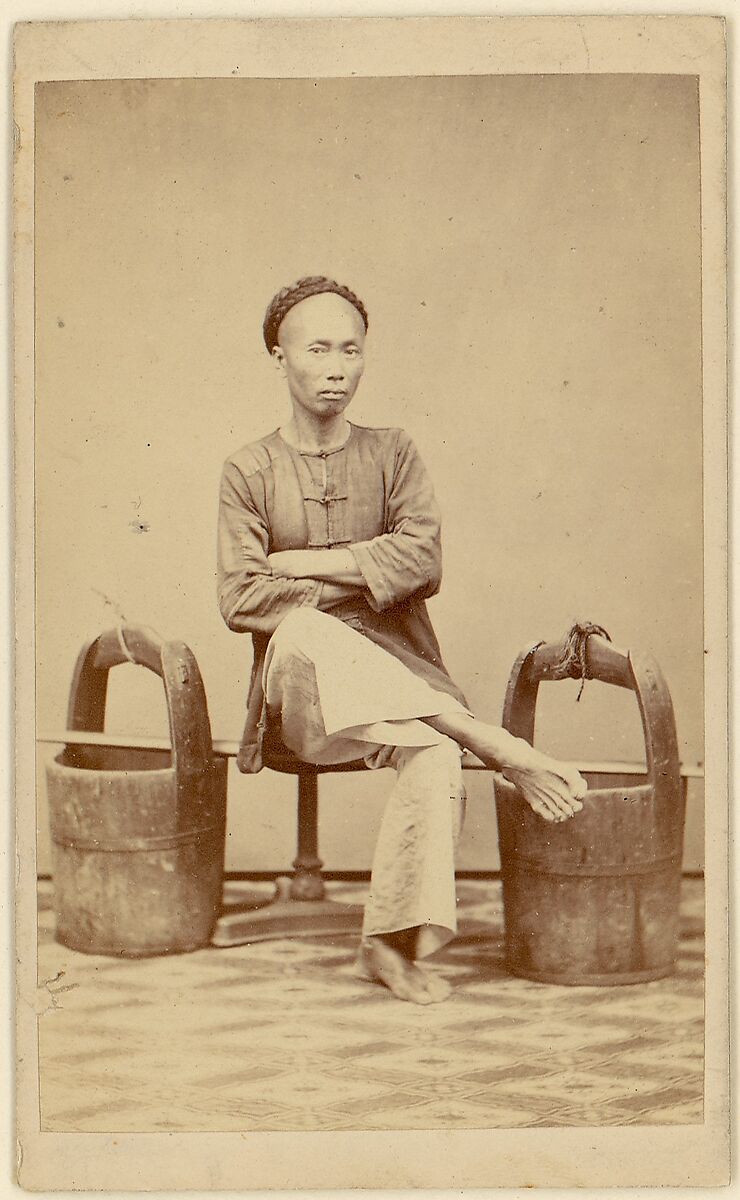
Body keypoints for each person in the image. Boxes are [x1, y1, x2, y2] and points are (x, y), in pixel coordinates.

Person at [217, 276, 586, 1005]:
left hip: (397, 689)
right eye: (317, 348)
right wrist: (367, 567)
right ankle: (488, 738)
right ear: (278, 356)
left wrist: (306, 563)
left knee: (433, 753)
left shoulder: (393, 453)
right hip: (305, 703)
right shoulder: (248, 470)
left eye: (351, 350)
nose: (336, 367)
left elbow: (424, 560)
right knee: (301, 627)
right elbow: (241, 596)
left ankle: (385, 945)